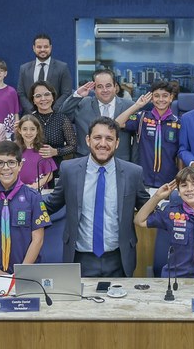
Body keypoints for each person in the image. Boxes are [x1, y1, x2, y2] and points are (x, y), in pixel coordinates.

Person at [43, 117, 150, 277]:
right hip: (79, 258)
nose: (103, 143)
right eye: (97, 137)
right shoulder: (69, 170)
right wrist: (21, 205)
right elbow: (52, 205)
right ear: (88, 140)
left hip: (119, 259)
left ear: (117, 143)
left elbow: (146, 209)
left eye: (109, 138)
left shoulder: (132, 173)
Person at [134, 166, 194, 278]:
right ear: (179, 191)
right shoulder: (171, 212)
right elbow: (139, 220)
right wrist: (157, 197)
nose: (189, 189)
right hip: (176, 278)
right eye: (184, 185)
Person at [0, 141, 51, 275]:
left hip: (28, 273)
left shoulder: (33, 197)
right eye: (0, 163)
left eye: (11, 162)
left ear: (20, 165)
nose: (6, 168)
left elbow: (38, 239)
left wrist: (22, 271)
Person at [115, 79, 181, 187]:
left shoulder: (178, 123)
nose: (161, 99)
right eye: (156, 96)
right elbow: (117, 123)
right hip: (143, 179)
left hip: (169, 181)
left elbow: (181, 153)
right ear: (151, 99)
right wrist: (137, 106)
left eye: (165, 96)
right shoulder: (142, 118)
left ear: (171, 98)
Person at [60, 69, 135, 162]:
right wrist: (77, 95)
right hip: (86, 161)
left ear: (115, 87)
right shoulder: (82, 104)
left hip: (120, 162)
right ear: (94, 89)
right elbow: (62, 116)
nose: (105, 90)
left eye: (108, 86)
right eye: (100, 86)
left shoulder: (130, 106)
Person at [18, 33, 73, 114]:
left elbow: (66, 93)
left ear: (51, 47)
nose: (42, 49)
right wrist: (32, 111)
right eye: (39, 47)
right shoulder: (24, 69)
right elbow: (21, 93)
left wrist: (51, 109)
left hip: (54, 115)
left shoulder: (62, 67)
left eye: (46, 47)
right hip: (30, 117)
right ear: (33, 48)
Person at [29, 81, 77, 170]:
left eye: (47, 94)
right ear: (33, 101)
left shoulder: (62, 119)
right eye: (38, 96)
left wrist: (56, 151)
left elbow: (73, 146)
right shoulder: (29, 120)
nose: (43, 99)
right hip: (33, 167)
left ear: (53, 97)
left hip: (56, 167)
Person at [14, 115, 58, 189]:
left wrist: (35, 185)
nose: (28, 133)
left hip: (38, 190)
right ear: (19, 130)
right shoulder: (14, 149)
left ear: (37, 130)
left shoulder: (43, 150)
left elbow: (50, 174)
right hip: (17, 189)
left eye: (32, 129)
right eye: (25, 129)